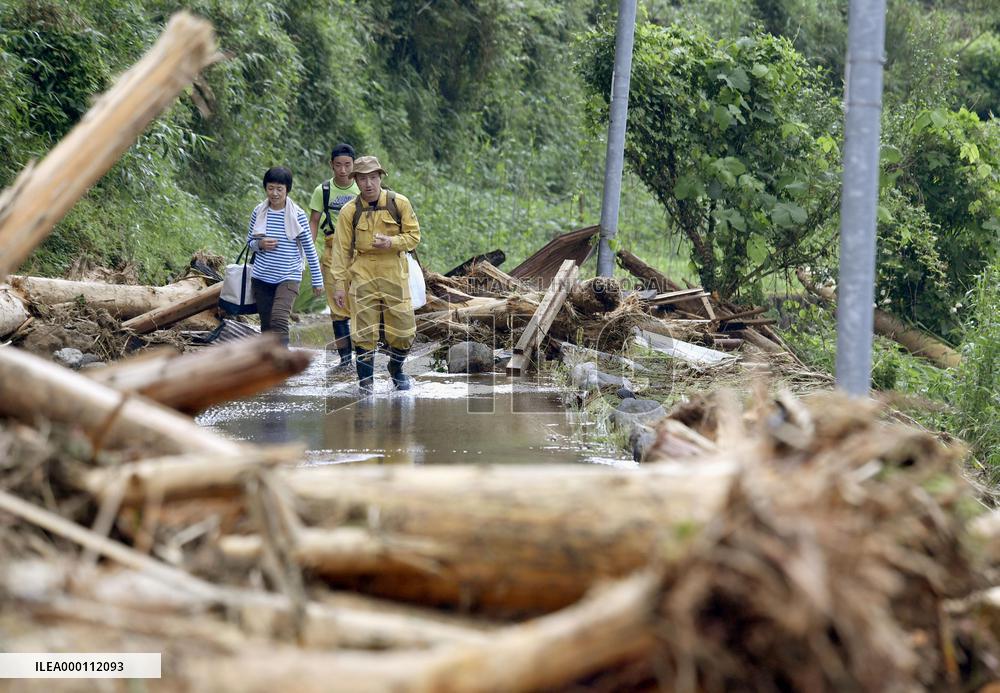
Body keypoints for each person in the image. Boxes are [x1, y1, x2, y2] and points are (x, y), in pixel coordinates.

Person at [329, 156, 420, 393]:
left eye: (372, 177)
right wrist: (339, 284)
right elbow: (341, 250)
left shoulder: (399, 203)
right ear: (356, 181)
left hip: (394, 271)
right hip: (363, 273)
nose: (368, 183)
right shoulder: (350, 211)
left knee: (404, 329)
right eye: (362, 178)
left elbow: (414, 237)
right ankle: (365, 383)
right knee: (363, 331)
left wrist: (391, 241)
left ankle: (397, 369)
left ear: (380, 177)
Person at [246, 166, 324, 347]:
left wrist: (317, 280)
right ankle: (269, 364)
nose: (274, 193)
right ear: (265, 188)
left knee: (279, 319)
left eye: (279, 189)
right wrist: (260, 244)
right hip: (262, 277)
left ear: (287, 190)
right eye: (270, 188)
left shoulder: (297, 215)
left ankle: (282, 362)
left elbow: (309, 248)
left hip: (288, 276)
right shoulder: (258, 212)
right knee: (266, 325)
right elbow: (250, 243)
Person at [308, 143, 360, 372]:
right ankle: (345, 360)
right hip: (331, 252)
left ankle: (363, 356)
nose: (343, 170)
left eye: (347, 165)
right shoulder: (323, 191)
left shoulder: (362, 188)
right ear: (331, 165)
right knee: (337, 308)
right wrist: (309, 253)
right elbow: (314, 222)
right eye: (338, 165)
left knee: (360, 304)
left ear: (354, 165)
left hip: (359, 253)